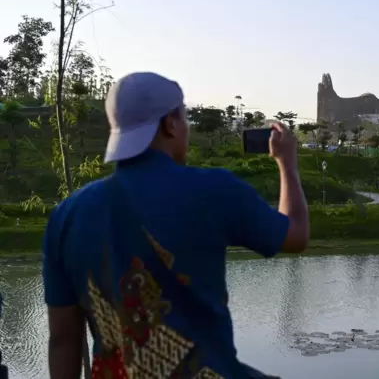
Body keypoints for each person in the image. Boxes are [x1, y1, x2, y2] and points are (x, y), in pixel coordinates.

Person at [42, 72, 309, 379]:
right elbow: (296, 235)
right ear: (170, 123)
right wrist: (287, 164)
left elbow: (63, 340)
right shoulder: (214, 190)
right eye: (184, 118)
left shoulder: (66, 215)